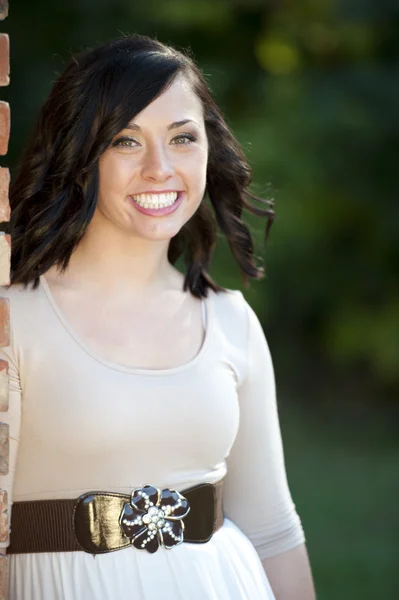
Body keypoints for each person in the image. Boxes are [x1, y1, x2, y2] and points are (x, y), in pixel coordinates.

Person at [0, 34, 316, 600]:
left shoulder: (230, 321)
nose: (160, 168)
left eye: (182, 138)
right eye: (126, 140)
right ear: (81, 154)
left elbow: (272, 529)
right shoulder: (14, 318)